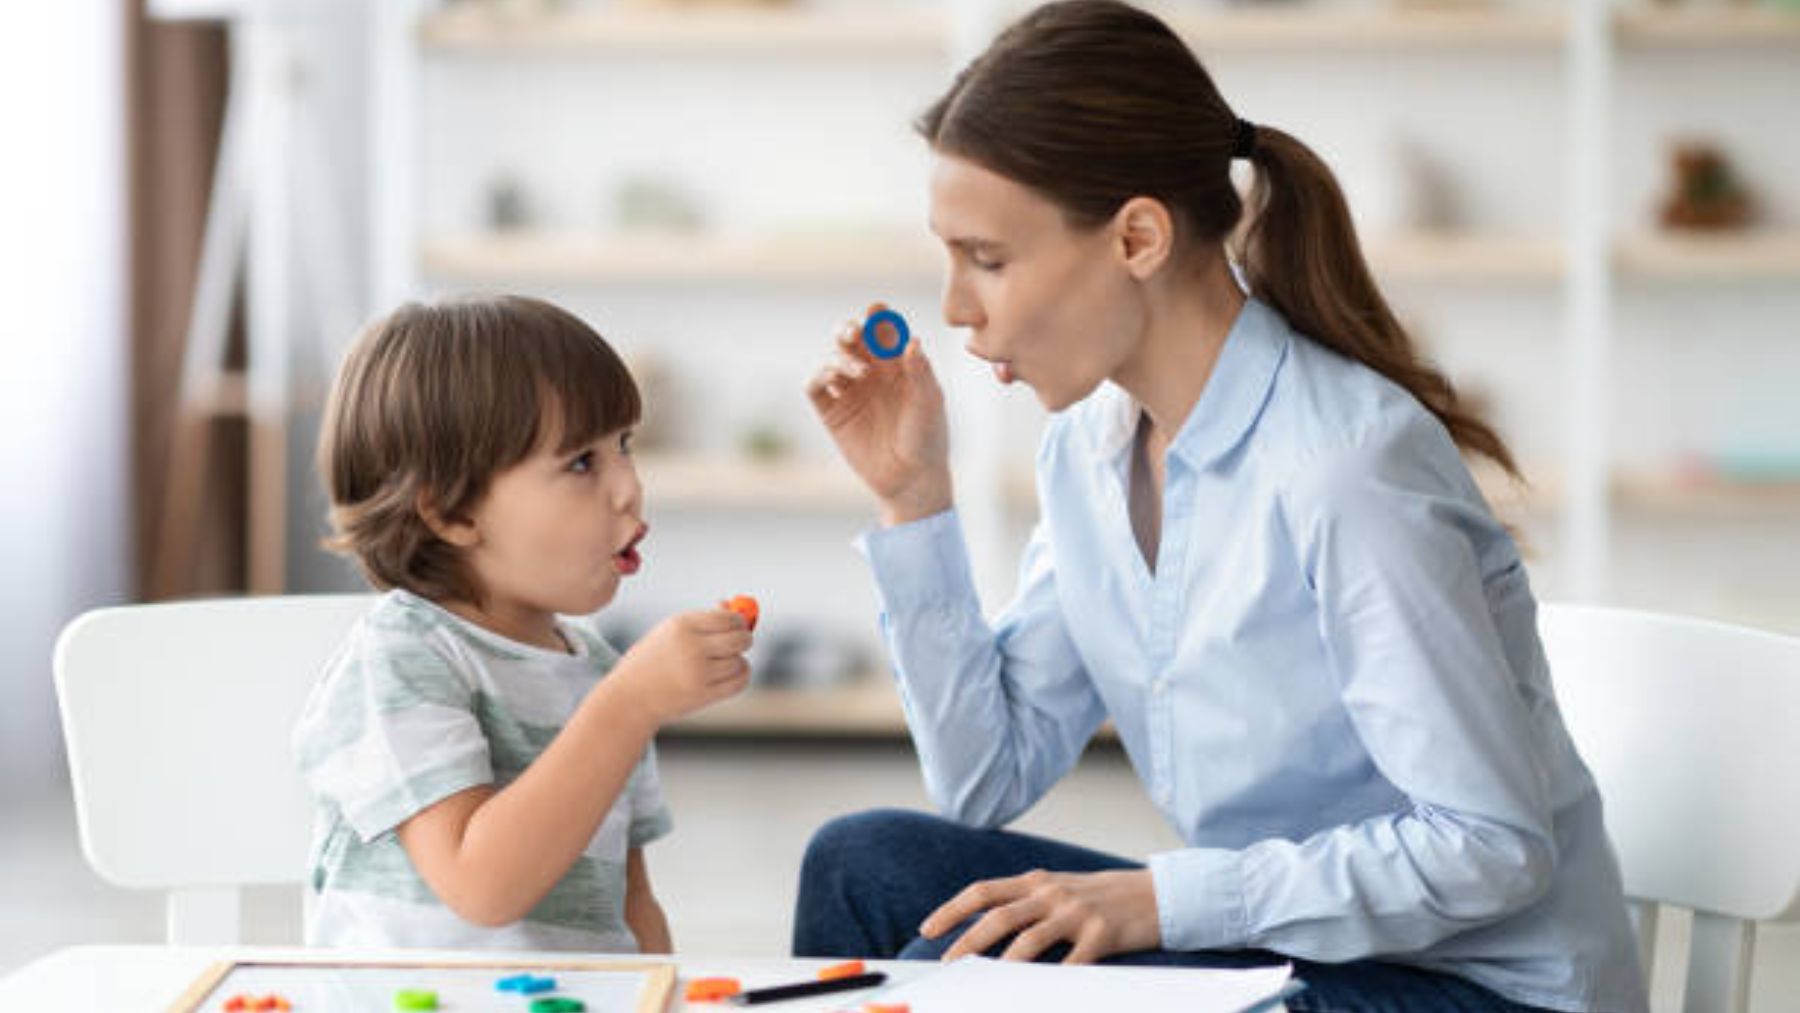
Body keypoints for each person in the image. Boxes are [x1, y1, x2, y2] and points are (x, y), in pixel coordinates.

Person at [794, 4, 1647, 1011]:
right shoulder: (1089, 449)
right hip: (1303, 957)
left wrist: (1165, 898)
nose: (955, 307)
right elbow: (987, 776)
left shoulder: (1347, 469)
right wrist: (913, 499)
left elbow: (1490, 847)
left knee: (1028, 980)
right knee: (864, 867)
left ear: (1139, 237)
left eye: (988, 258)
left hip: (1476, 987)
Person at [294, 295, 754, 950]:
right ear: (451, 512)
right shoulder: (401, 657)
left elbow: (632, 905)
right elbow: (481, 885)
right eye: (581, 463)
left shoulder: (599, 670)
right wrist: (630, 705)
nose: (629, 486)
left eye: (624, 445)